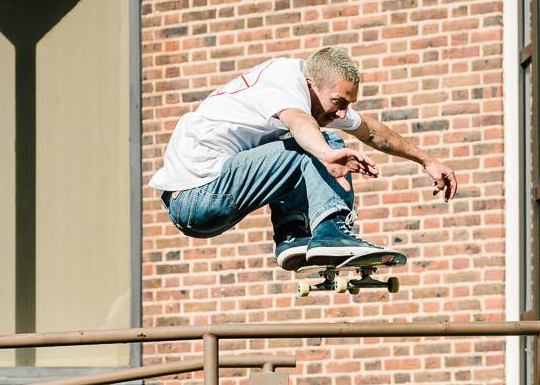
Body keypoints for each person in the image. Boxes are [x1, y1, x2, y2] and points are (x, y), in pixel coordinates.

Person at [149, 47, 458, 271]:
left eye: (347, 105)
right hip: (196, 195)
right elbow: (299, 122)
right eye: (338, 103)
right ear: (312, 84)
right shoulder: (285, 80)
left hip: (202, 201)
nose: (340, 113)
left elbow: (373, 132)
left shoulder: (318, 100)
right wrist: (327, 153)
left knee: (307, 145)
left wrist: (426, 160)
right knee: (313, 143)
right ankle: (331, 232)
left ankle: (293, 238)